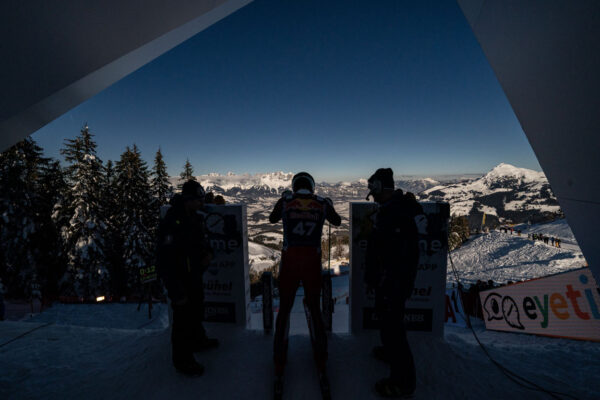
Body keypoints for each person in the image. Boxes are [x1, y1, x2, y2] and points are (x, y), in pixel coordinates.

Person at [269, 172, 341, 398]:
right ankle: (321, 361)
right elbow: (337, 221)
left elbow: (272, 219)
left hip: (290, 262)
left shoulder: (286, 201)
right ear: (311, 186)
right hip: (312, 262)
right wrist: (328, 204)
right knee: (315, 309)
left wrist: (283, 200)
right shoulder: (320, 203)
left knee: (284, 311)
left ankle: (279, 363)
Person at [364, 168, 422, 398]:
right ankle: (389, 352)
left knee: (394, 329)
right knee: (387, 321)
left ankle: (403, 383)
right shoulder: (392, 209)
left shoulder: (395, 213)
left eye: (373, 189)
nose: (372, 195)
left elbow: (393, 253)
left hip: (393, 280)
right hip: (389, 279)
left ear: (380, 187)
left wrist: (383, 277)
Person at [156, 180, 218, 376]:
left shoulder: (193, 217)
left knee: (196, 310)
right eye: (198, 200)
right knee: (182, 320)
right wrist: (174, 290)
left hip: (193, 276)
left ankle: (198, 340)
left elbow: (201, 241)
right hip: (180, 280)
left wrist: (208, 253)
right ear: (188, 200)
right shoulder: (172, 222)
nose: (202, 203)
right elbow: (164, 260)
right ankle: (183, 361)